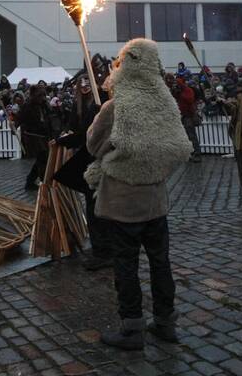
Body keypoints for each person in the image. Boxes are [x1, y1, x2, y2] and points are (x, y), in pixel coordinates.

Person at [86, 38, 192, 350]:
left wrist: (100, 117)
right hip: (156, 199)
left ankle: (132, 329)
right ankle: (165, 322)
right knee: (161, 262)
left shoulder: (117, 106)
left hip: (124, 201)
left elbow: (93, 146)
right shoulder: (165, 103)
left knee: (126, 263)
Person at [54, 63, 113, 271]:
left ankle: (104, 251)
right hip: (88, 159)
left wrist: (66, 141)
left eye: (89, 81)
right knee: (93, 204)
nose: (85, 85)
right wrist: (64, 136)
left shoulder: (101, 103)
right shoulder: (80, 105)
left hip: (98, 160)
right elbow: (76, 130)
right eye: (82, 82)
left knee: (97, 206)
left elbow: (88, 134)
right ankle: (102, 248)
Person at [18, 83, 53, 191]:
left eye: (43, 95)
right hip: (32, 136)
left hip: (42, 135)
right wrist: (14, 126)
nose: (42, 98)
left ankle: (30, 181)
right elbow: (19, 118)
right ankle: (44, 183)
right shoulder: (27, 106)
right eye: (39, 96)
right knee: (43, 158)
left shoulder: (44, 105)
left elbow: (50, 117)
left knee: (41, 159)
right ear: (33, 95)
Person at [172, 76, 201, 162]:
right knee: (187, 136)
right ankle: (191, 153)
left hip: (189, 115)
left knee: (192, 135)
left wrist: (180, 93)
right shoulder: (180, 91)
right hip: (183, 115)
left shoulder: (188, 90)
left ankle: (197, 154)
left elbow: (190, 99)